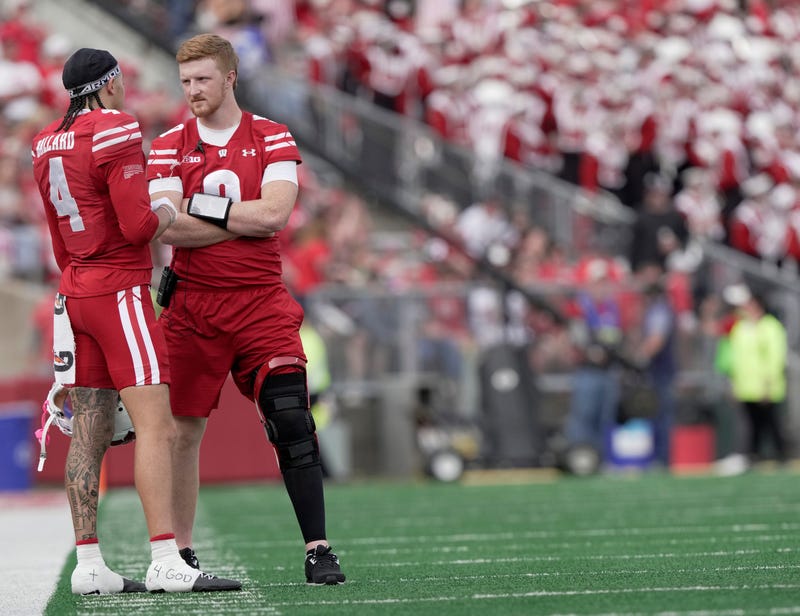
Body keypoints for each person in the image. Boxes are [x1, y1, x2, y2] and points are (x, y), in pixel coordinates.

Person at [31, 47, 241, 594]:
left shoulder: (45, 140)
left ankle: (89, 565)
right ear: (111, 82)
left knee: (90, 430)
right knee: (157, 425)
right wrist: (170, 210)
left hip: (75, 289)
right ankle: (165, 558)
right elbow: (136, 226)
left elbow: (57, 236)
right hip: (119, 291)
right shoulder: (114, 128)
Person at [146, 33, 345, 585]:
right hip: (191, 305)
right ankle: (182, 554)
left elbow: (275, 216)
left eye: (202, 80)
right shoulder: (166, 144)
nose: (192, 91)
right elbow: (166, 223)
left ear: (230, 77)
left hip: (260, 302)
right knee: (182, 432)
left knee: (290, 418)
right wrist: (238, 217)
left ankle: (318, 548)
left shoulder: (272, 135)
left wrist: (201, 208)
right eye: (185, 81)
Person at [718, 284, 789, 465]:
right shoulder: (741, 328)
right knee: (752, 424)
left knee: (772, 423)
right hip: (746, 386)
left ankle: (782, 456)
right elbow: (734, 357)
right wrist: (733, 383)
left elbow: (775, 358)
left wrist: (768, 383)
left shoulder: (770, 327)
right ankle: (753, 456)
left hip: (765, 386)